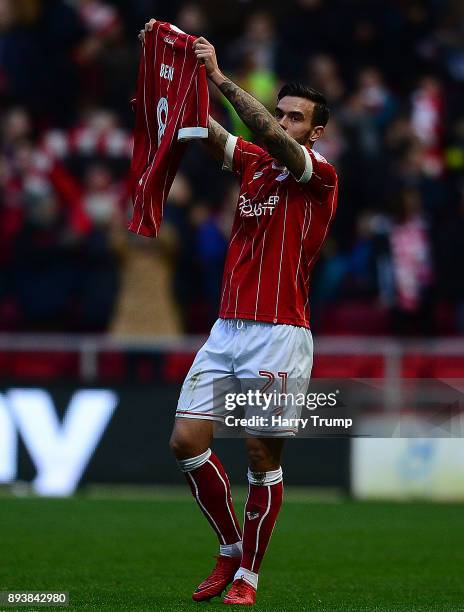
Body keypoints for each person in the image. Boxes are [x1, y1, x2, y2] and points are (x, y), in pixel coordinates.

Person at [140, 19, 339, 606]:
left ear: (316, 130)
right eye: (280, 113)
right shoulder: (253, 163)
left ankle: (250, 574)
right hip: (228, 328)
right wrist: (173, 73)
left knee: (260, 453)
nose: (283, 123)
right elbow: (205, 133)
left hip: (281, 333)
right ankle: (229, 549)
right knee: (185, 440)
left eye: (295, 117)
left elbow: (266, 139)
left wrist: (222, 77)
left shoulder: (318, 175)